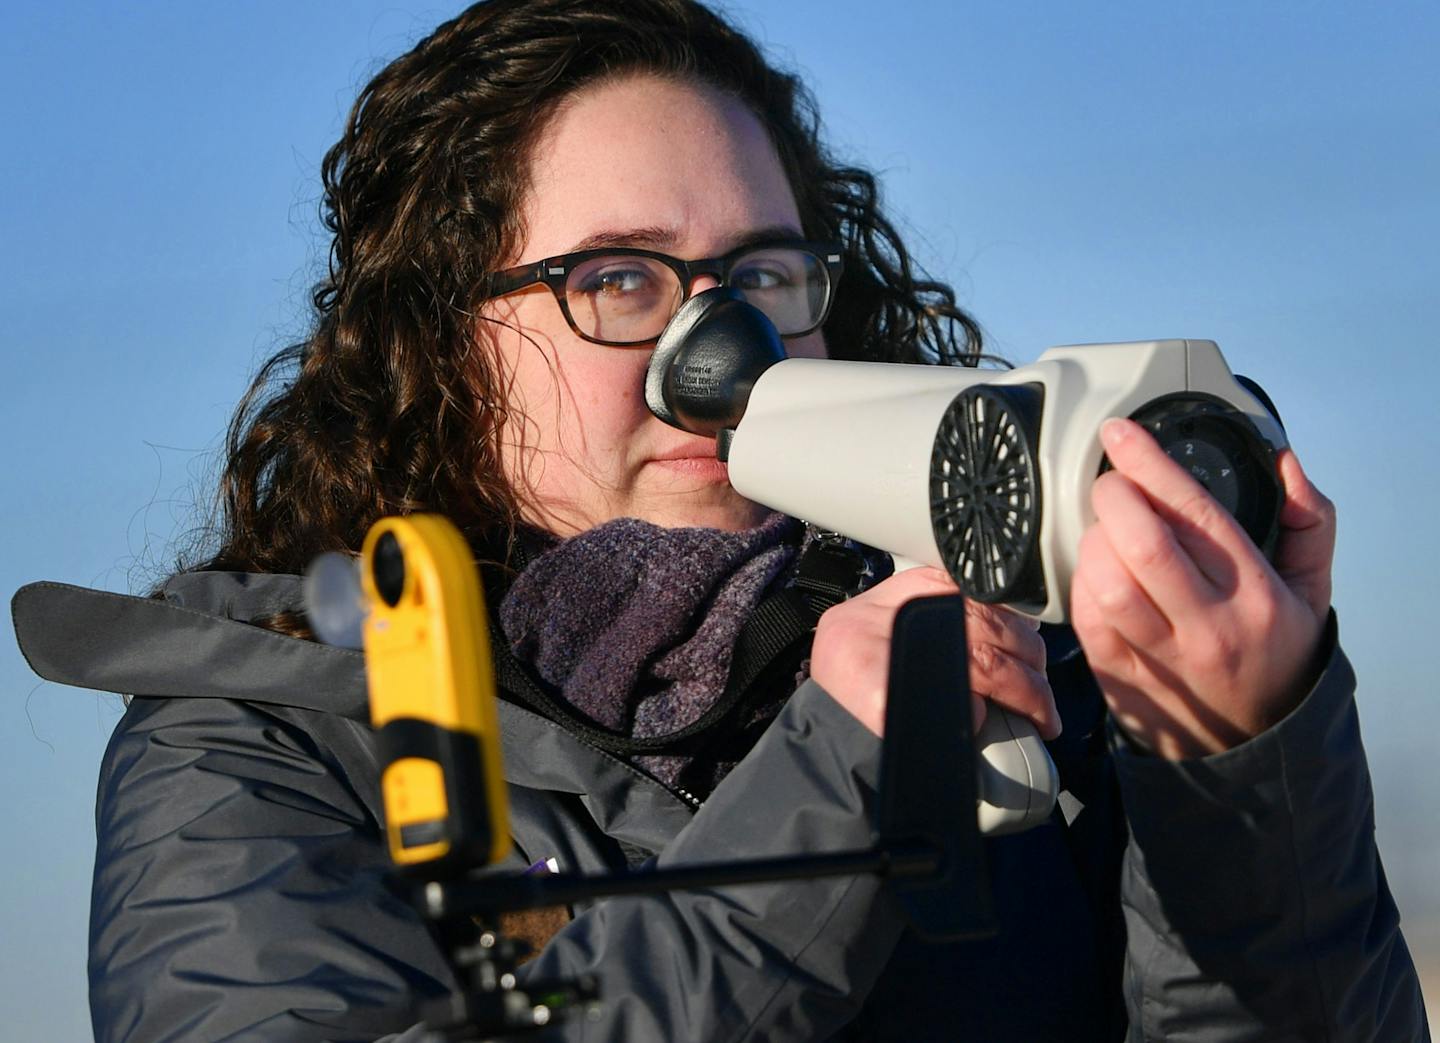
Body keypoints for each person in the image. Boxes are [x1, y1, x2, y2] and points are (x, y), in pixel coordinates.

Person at [11, 1, 1430, 1040]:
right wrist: (842, 766)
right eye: (620, 282)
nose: (716, 350)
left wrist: (1232, 766)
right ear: (444, 348)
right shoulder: (269, 744)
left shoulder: (1002, 664)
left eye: (763, 275)